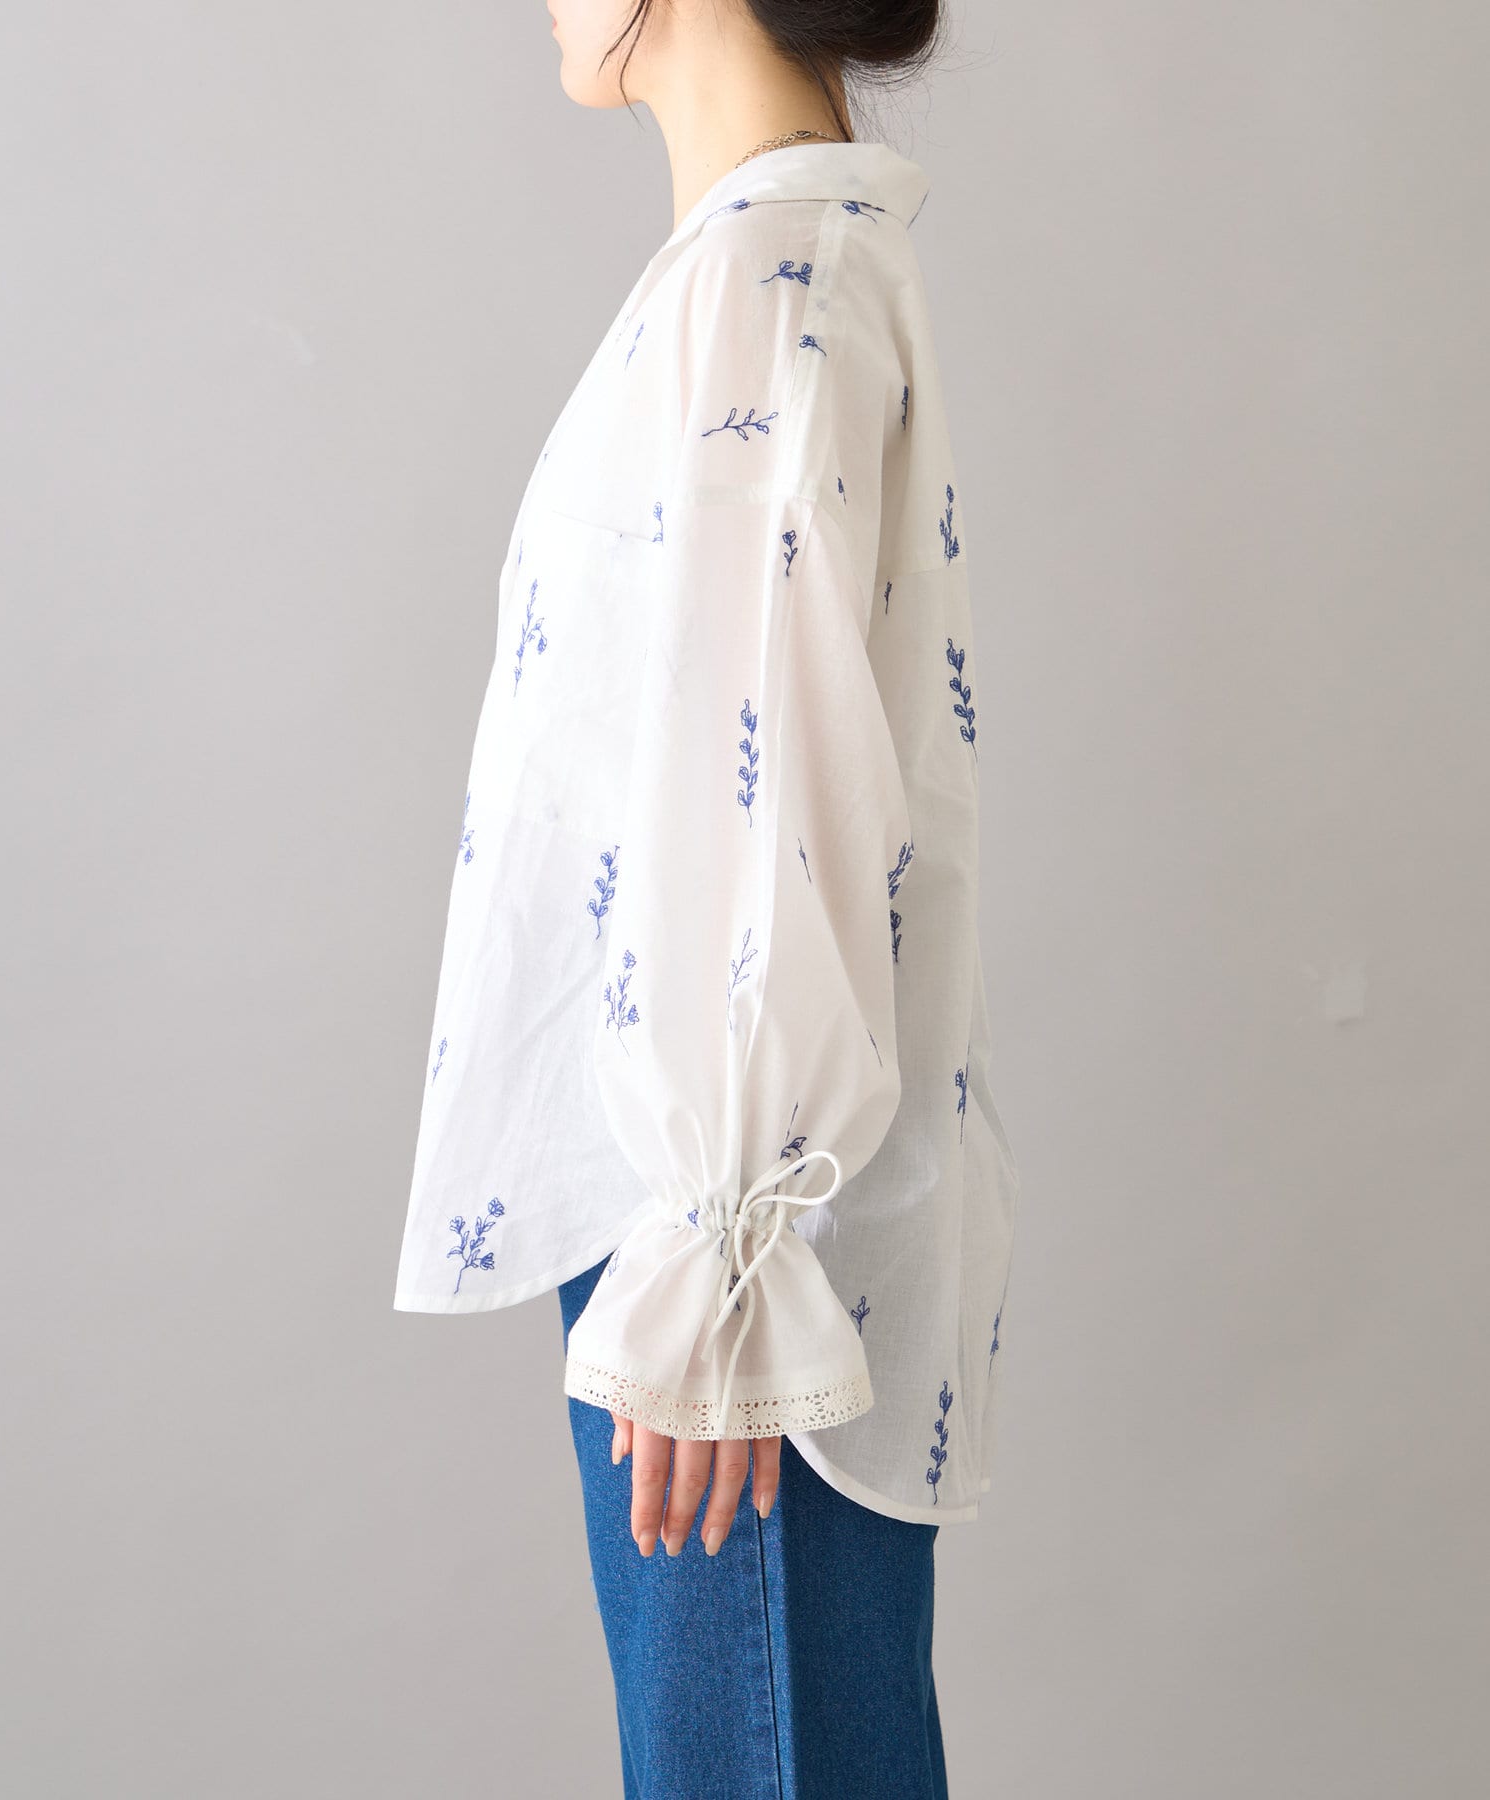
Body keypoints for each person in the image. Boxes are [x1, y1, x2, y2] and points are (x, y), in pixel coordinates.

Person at [394, 3, 1022, 1793]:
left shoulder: (770, 278)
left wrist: (720, 1254)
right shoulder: (771, 263)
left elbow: (776, 799)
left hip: (730, 1234)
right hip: (708, 1207)